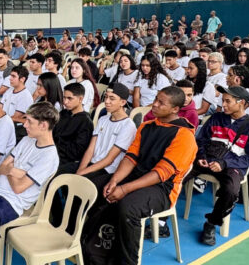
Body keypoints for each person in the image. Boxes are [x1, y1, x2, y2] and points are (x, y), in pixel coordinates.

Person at [82, 86, 196, 265]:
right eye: (156, 99)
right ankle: (94, 249)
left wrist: (123, 189)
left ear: (175, 109)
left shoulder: (184, 136)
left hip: (162, 188)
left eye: (161, 103)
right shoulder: (146, 126)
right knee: (96, 188)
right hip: (137, 177)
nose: (154, 104)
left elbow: (160, 173)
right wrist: (114, 180)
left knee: (128, 207)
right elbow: (130, 158)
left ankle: (127, 261)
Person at [0, 102, 60, 265]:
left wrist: (10, 169)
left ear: (43, 125)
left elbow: (18, 188)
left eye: (29, 122)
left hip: (9, 202)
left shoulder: (49, 157)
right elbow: (0, 169)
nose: (24, 125)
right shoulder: (27, 140)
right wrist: (17, 172)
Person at [190, 86, 249, 245]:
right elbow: (201, 141)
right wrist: (201, 156)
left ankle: (212, 222)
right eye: (223, 100)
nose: (223, 104)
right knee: (179, 173)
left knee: (231, 191)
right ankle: (161, 219)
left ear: (241, 102)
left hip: (232, 166)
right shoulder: (216, 118)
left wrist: (224, 163)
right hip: (207, 160)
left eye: (227, 101)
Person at [76, 82, 137, 194]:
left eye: (112, 98)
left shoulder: (128, 126)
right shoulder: (103, 119)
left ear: (123, 102)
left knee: (80, 186)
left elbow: (109, 160)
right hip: (93, 163)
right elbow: (90, 149)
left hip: (107, 169)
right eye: (106, 97)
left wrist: (82, 173)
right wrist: (81, 169)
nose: (107, 101)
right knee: (60, 173)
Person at [52, 83, 94, 175]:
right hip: (52, 153)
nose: (65, 102)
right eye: (64, 98)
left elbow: (77, 151)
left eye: (69, 98)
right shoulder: (63, 113)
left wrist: (55, 147)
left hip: (65, 161)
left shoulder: (85, 122)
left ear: (80, 99)